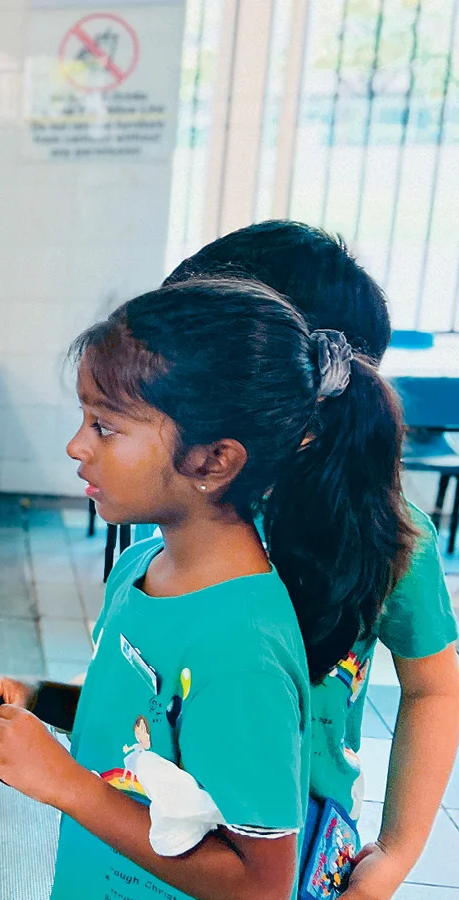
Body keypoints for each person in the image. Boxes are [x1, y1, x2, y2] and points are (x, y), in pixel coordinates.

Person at [0, 277, 416, 900]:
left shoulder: (242, 646)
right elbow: (150, 720)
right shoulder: (145, 565)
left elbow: (260, 884)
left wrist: (67, 784)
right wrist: (39, 699)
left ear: (212, 461)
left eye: (104, 426)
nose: (76, 446)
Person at [167, 221, 459, 899]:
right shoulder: (182, 500)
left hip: (298, 854)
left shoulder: (387, 535)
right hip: (162, 833)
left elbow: (434, 687)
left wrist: (397, 851)